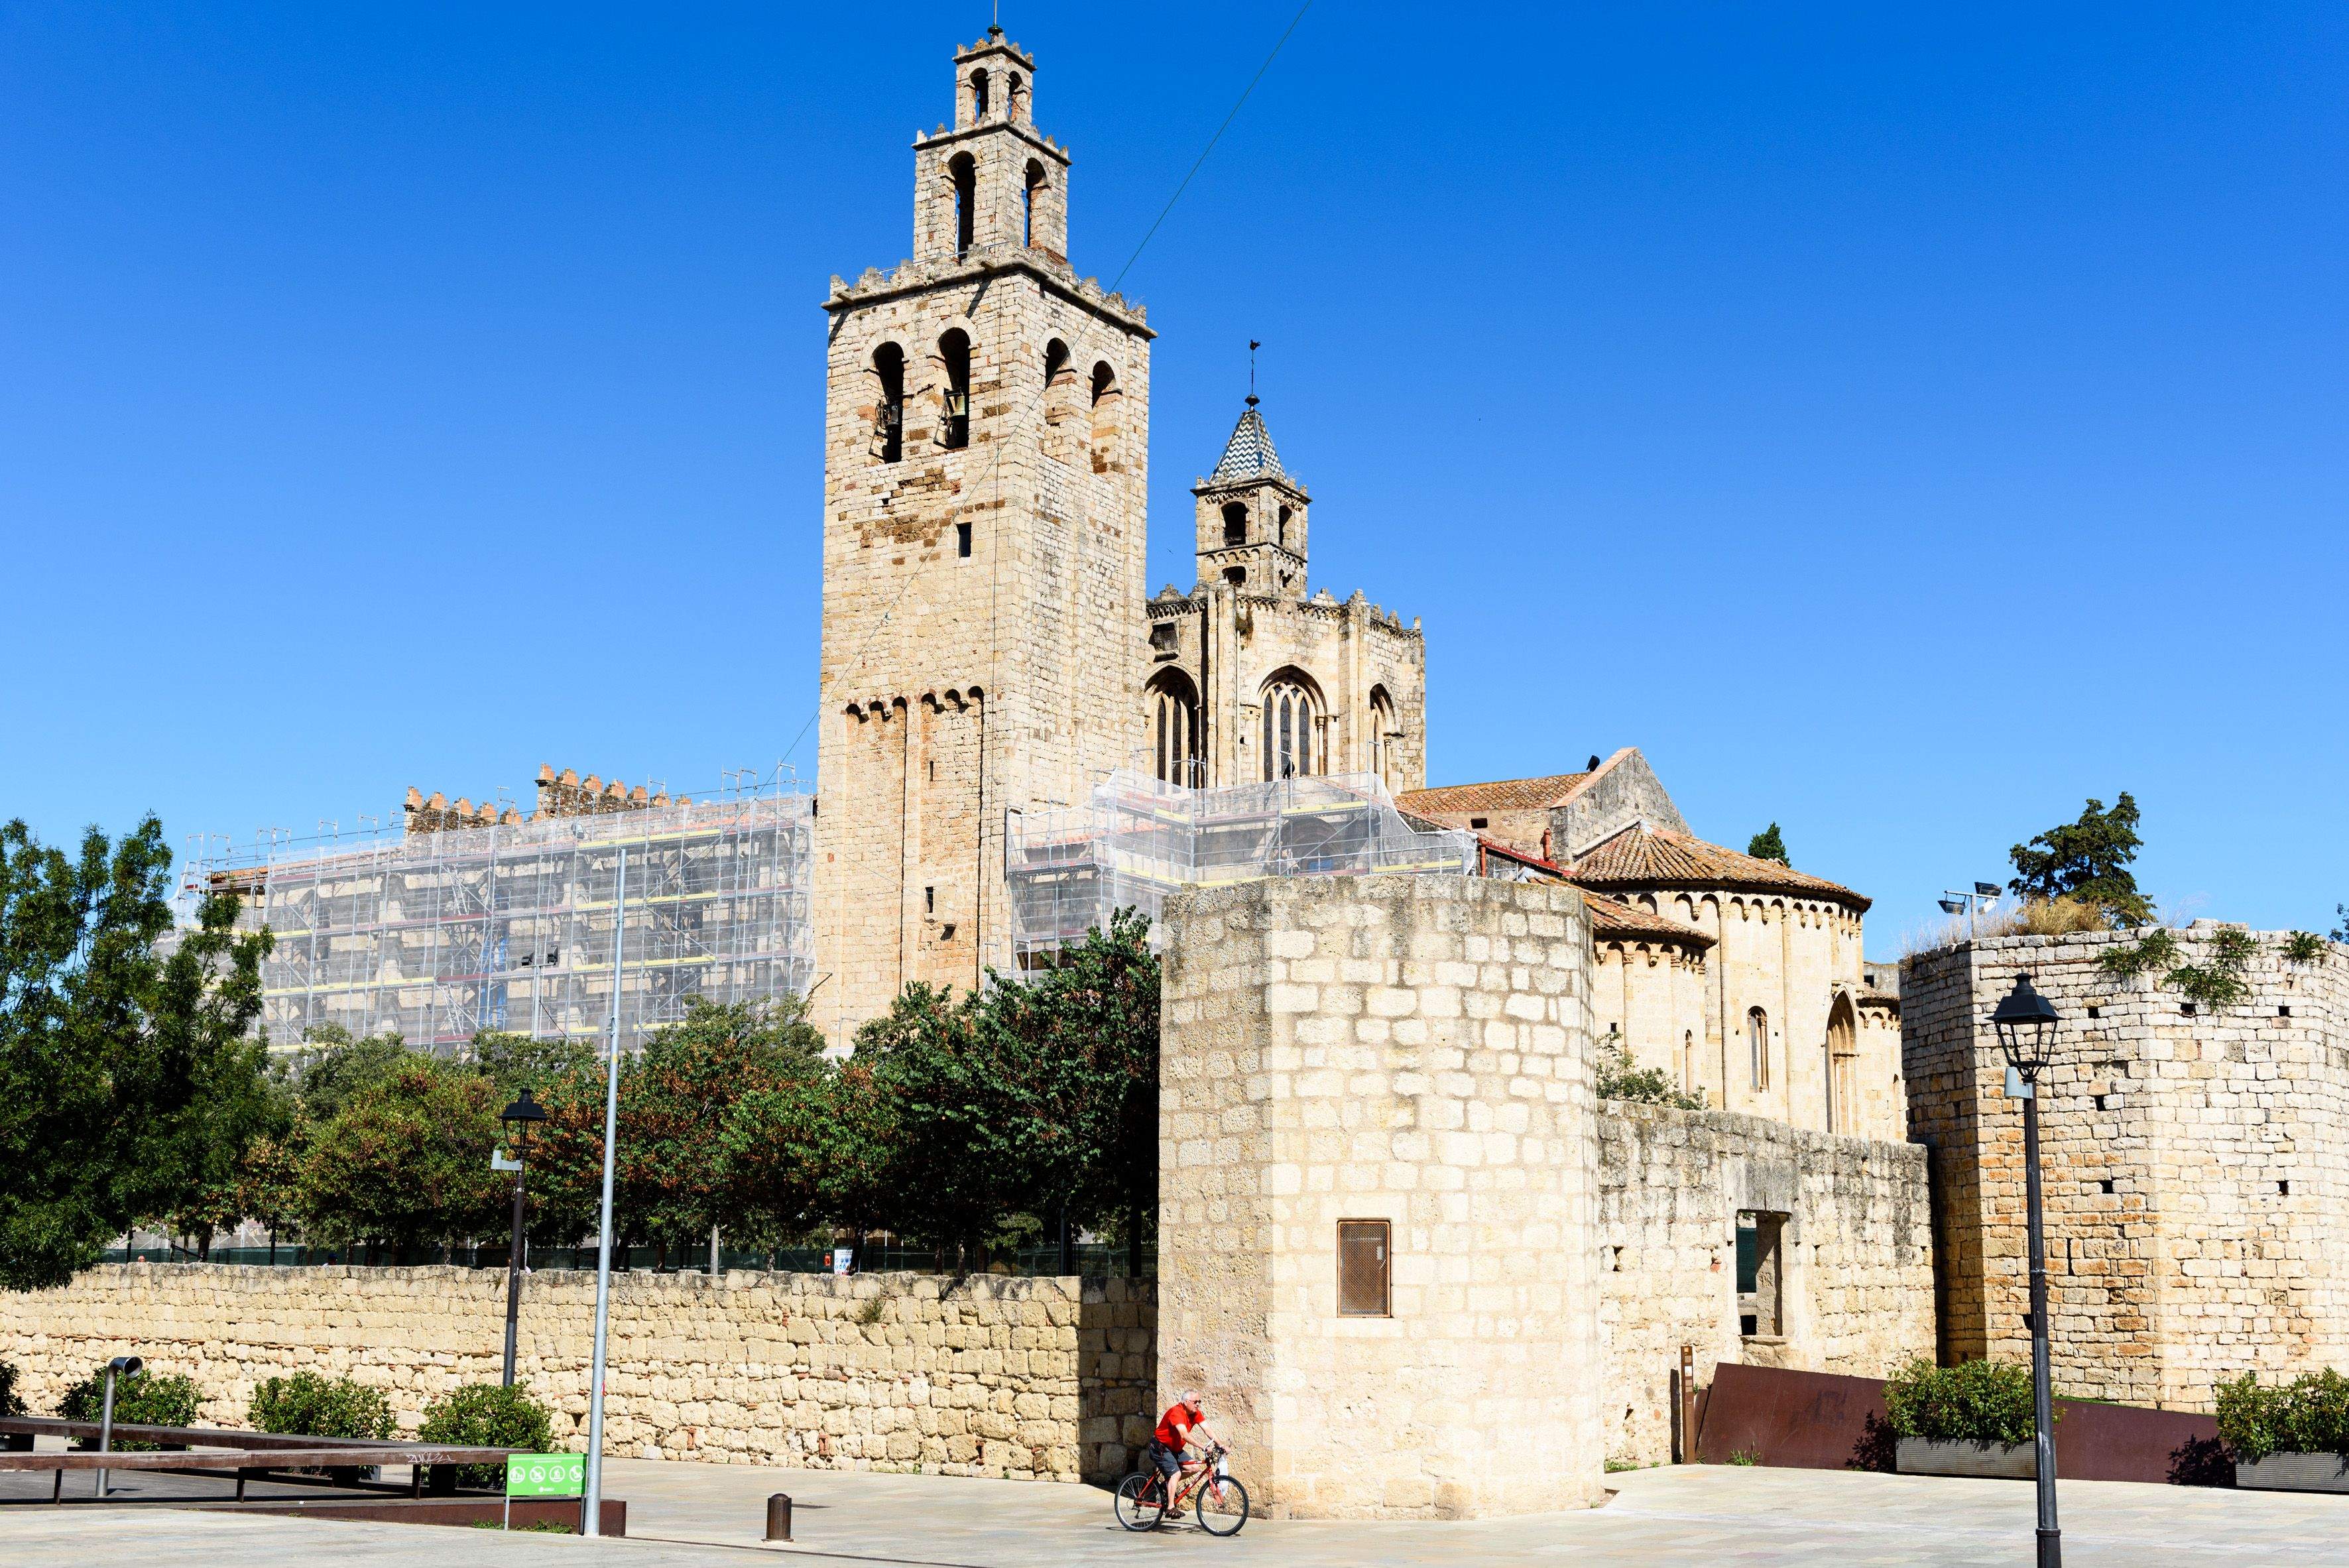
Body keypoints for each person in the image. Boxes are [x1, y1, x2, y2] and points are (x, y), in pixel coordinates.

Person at [1147, 1392, 1217, 1505]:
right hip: (1160, 1447)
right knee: (1176, 1474)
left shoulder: (1195, 1414)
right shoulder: (1177, 1412)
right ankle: (1170, 1507)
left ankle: (1167, 1484)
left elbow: (1207, 1430)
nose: (1198, 1404)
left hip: (1174, 1449)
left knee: (1195, 1467)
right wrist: (1202, 1447)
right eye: (1195, 1402)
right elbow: (1184, 1435)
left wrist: (1221, 1445)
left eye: (1199, 1402)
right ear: (1185, 1402)